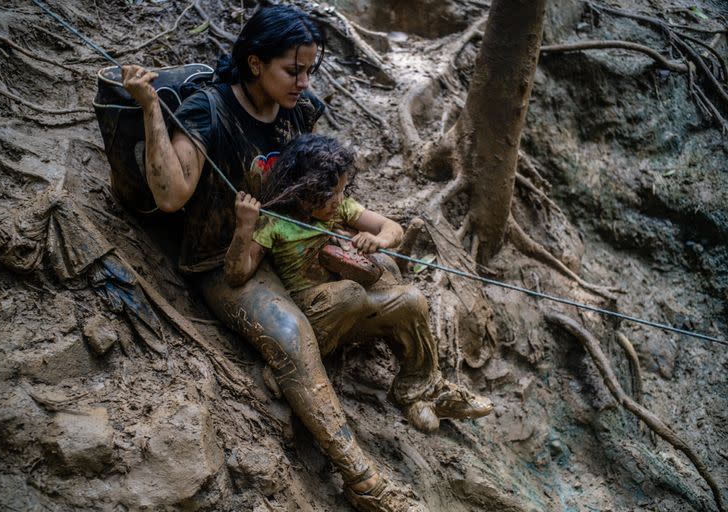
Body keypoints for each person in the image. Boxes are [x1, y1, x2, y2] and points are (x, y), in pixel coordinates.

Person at [120, 6, 485, 511]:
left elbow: (320, 179)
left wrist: (355, 230)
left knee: (392, 277)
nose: (303, 81)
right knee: (291, 336)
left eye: (309, 70)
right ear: (253, 64)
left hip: (297, 239)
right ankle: (364, 481)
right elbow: (171, 194)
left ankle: (422, 383)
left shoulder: (299, 109)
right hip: (231, 256)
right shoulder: (211, 111)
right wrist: (151, 109)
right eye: (293, 70)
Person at [225, 133, 494, 508]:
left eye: (341, 192)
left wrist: (377, 241)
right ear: (302, 193)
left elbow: (394, 230)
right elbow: (237, 274)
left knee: (412, 300)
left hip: (349, 307)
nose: (337, 201)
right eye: (328, 195)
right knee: (350, 294)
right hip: (313, 310)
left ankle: (421, 388)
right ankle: (301, 359)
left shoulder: (341, 208)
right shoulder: (274, 223)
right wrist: (244, 226)